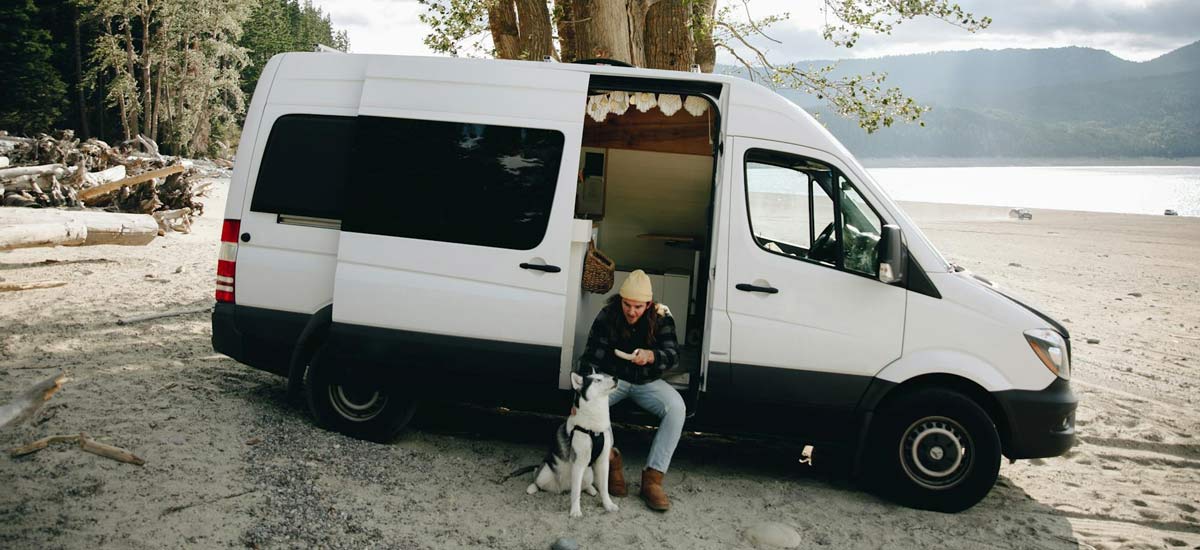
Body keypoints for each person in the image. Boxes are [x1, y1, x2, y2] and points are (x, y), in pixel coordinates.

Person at [578, 269, 684, 512]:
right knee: (591, 405)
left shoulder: (661, 316)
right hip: (613, 379)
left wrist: (651, 356)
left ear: (648, 304)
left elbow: (673, 356)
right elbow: (591, 356)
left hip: (647, 382)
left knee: (676, 408)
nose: (632, 311)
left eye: (638, 306)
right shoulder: (608, 315)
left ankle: (653, 478)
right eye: (627, 305)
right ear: (621, 300)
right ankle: (611, 460)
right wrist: (581, 394)